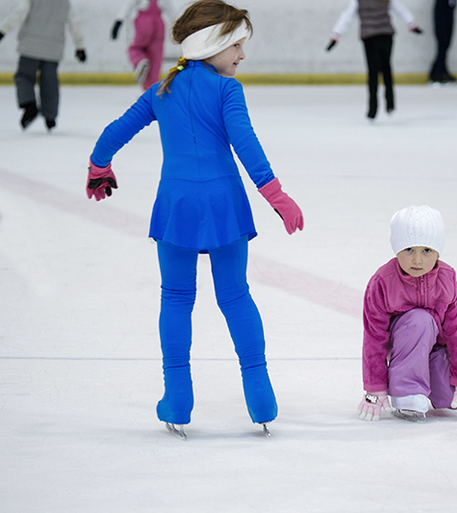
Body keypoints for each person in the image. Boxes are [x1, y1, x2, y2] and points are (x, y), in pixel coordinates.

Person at [86, 0, 304, 439]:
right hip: (224, 207)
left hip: (177, 208)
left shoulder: (161, 90)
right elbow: (246, 143)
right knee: (236, 297)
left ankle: (177, 399)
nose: (242, 55)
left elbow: (114, 132)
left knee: (176, 298)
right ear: (211, 44)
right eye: (236, 45)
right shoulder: (227, 91)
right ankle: (261, 397)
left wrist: (98, 167)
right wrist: (275, 194)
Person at [357, 205, 457, 422]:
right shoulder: (383, 282)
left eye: (426, 251)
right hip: (403, 346)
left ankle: (427, 375)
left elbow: (456, 333)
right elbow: (374, 338)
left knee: (448, 399)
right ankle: (407, 391)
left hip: (435, 348)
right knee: (420, 320)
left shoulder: (447, 279)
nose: (417, 260)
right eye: (409, 250)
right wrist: (375, 388)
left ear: (438, 252)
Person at [326, 0, 423, 120]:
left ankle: (373, 107)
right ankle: (389, 103)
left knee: (373, 71)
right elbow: (401, 9)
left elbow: (347, 16)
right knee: (386, 68)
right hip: (383, 35)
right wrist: (412, 24)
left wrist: (335, 35)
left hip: (371, 36)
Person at [0, 0, 87, 130]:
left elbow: (18, 14)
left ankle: (29, 105)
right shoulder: (64, 3)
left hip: (30, 46)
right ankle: (50, 116)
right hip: (53, 49)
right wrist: (80, 46)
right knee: (49, 82)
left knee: (24, 76)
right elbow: (75, 24)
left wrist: (2, 30)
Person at [111, 0, 176, 91]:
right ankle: (150, 90)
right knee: (156, 57)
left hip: (144, 22)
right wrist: (178, 27)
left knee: (135, 48)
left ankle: (140, 61)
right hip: (159, 24)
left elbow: (128, 5)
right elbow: (171, 10)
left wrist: (118, 22)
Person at [428, 0, 457, 85]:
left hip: (449, 12)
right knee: (442, 42)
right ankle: (437, 72)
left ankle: (442, 70)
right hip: (442, 13)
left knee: (446, 43)